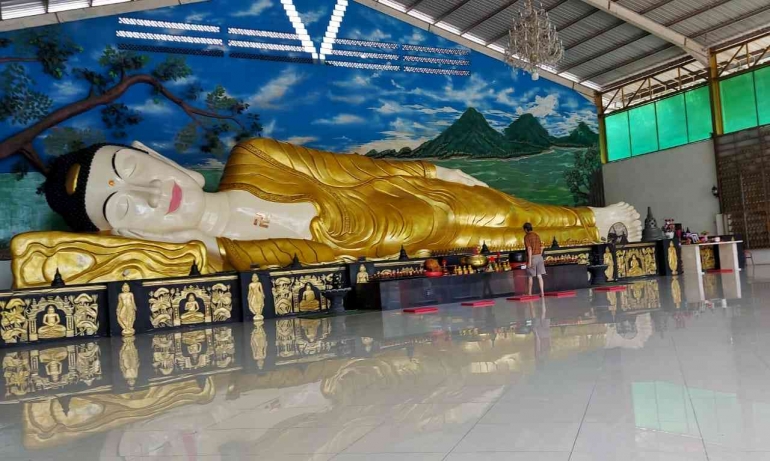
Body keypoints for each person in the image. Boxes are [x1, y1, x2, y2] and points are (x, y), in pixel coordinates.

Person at [14, 139, 642, 287]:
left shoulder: (253, 159)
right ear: (124, 232)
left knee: (518, 211)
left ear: (154, 155)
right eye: (125, 208)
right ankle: (604, 225)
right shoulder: (234, 259)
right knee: (501, 238)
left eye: (135, 171)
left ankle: (603, 217)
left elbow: (357, 169)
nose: (155, 195)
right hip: (424, 250)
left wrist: (435, 171)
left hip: (422, 202)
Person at [523, 223, 545, 296]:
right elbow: (542, 247)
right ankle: (542, 293)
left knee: (530, 276)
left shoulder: (527, 236)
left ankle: (529, 294)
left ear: (526, 229)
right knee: (539, 276)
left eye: (524, 230)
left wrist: (529, 261)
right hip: (539, 257)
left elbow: (529, 249)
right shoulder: (537, 235)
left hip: (532, 257)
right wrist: (540, 256)